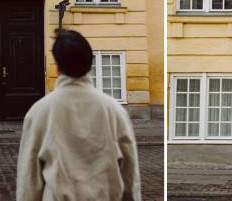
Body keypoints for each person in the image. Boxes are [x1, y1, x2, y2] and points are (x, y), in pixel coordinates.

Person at [16, 29, 141, 200]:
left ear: (58, 66)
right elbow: (130, 175)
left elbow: (29, 179)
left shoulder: (40, 111)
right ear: (90, 64)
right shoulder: (114, 110)